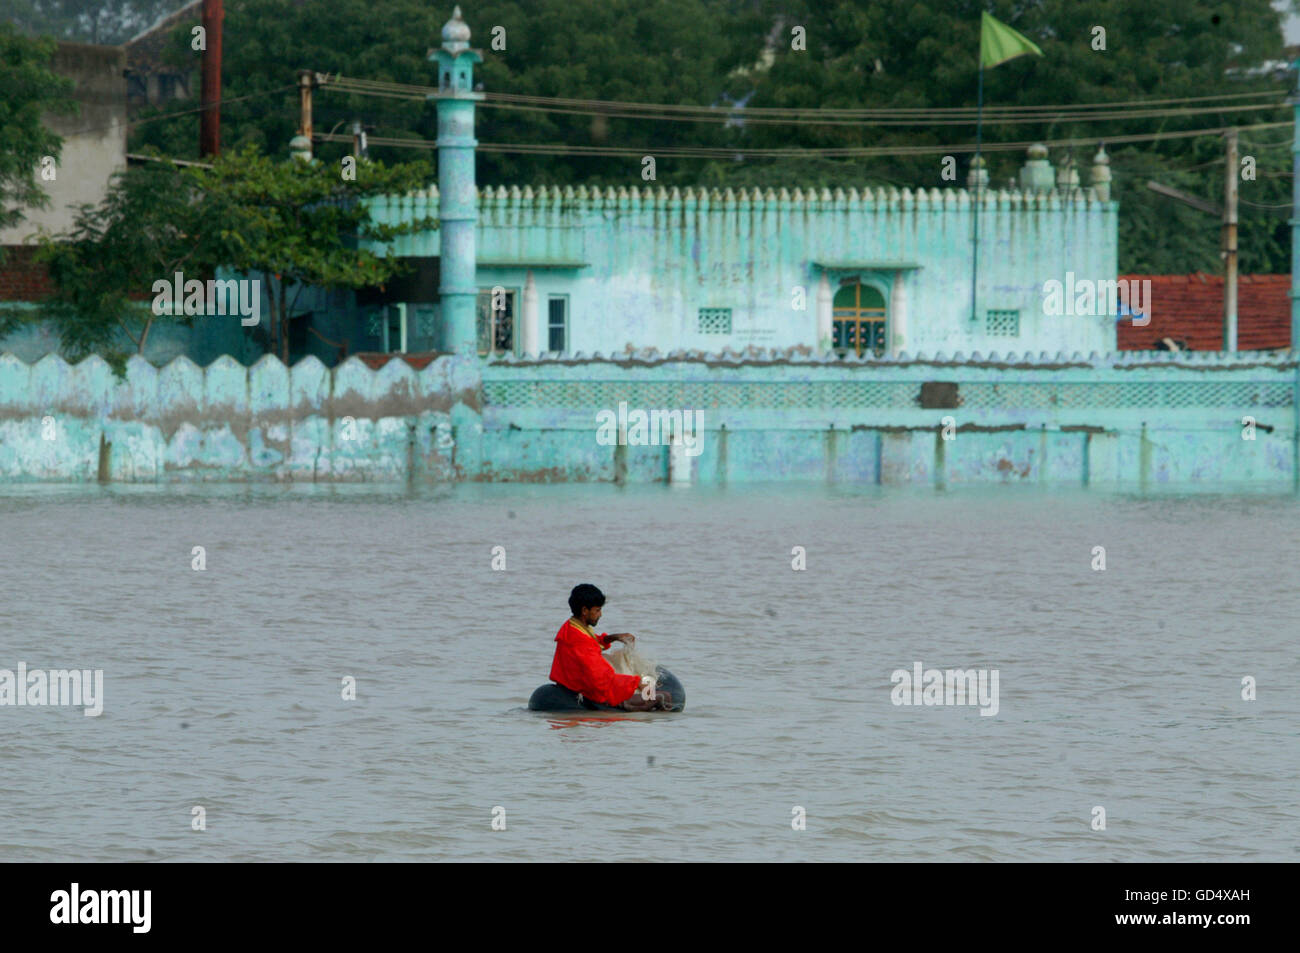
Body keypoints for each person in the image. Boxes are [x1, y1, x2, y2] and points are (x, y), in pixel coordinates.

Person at [549, 584, 672, 712]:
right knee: (665, 697)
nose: (600, 614)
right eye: (597, 610)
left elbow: (593, 642)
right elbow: (602, 680)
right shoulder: (580, 641)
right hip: (591, 692)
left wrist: (614, 637)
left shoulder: (572, 626)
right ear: (585, 610)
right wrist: (638, 683)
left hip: (577, 684)